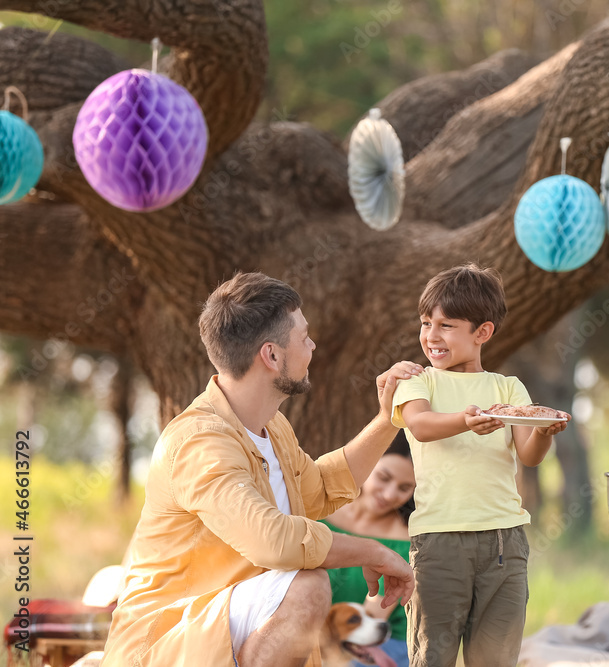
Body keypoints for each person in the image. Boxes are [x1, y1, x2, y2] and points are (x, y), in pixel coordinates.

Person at [102, 272, 423, 667]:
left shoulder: (271, 427)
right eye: (304, 337)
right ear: (271, 356)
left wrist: (388, 419)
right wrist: (371, 551)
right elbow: (272, 540)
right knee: (307, 586)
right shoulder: (199, 441)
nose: (313, 345)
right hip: (166, 644)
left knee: (303, 585)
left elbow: (319, 489)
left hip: (230, 628)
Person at [390, 263, 570, 667]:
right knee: (432, 654)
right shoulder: (420, 381)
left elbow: (529, 455)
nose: (431, 336)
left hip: (505, 541)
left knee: (495, 658)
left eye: (447, 326)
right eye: (425, 323)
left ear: (482, 332)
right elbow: (419, 425)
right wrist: (465, 421)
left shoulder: (508, 388)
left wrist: (543, 430)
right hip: (439, 540)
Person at [321, 431, 415, 667]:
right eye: (383, 478)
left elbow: (373, 617)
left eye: (405, 488)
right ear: (365, 466)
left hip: (377, 640)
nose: (390, 494)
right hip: (314, 632)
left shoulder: (407, 541)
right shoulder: (318, 512)